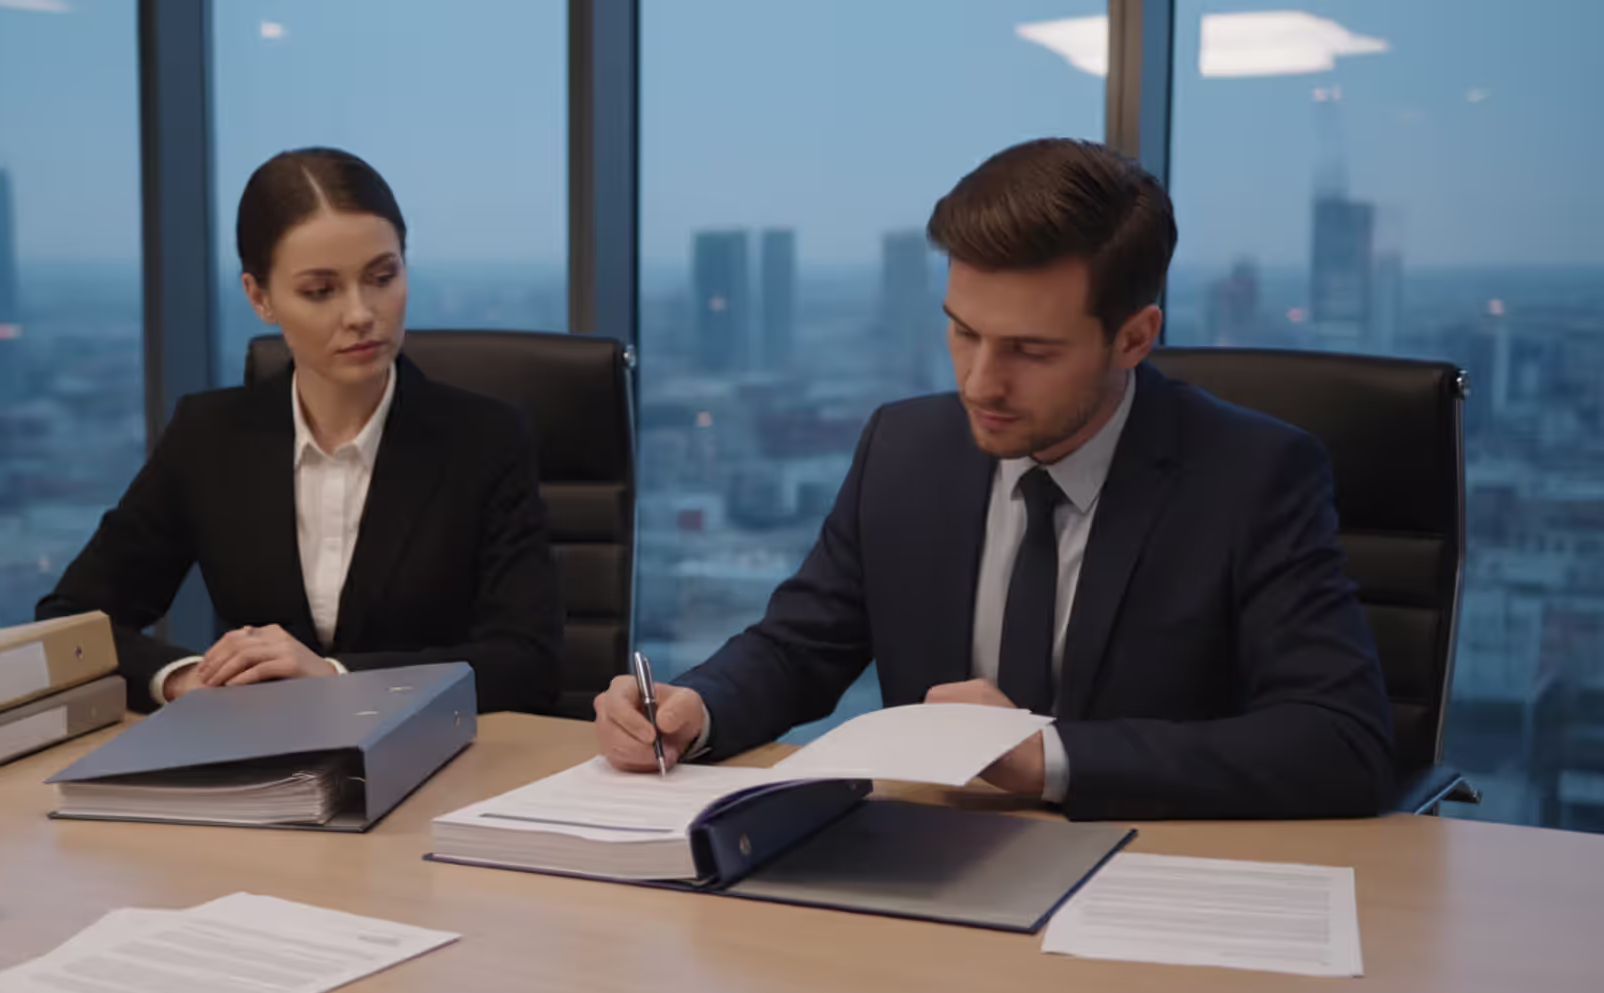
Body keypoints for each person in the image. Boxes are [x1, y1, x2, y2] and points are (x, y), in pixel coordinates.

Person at [595, 138, 1396, 820]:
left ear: (1134, 338)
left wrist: (1045, 754)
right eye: (963, 332)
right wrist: (696, 707)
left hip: (1152, 886)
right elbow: (802, 644)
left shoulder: (1251, 476)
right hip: (932, 870)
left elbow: (1340, 739)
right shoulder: (906, 447)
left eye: (1030, 350)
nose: (980, 382)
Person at [39, 148, 562, 715]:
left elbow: (528, 662)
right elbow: (71, 623)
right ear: (259, 297)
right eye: (321, 291)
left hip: (444, 768)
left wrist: (337, 679)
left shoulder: (484, 440)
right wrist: (184, 679)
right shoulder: (210, 438)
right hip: (262, 765)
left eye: (382, 277)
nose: (362, 313)